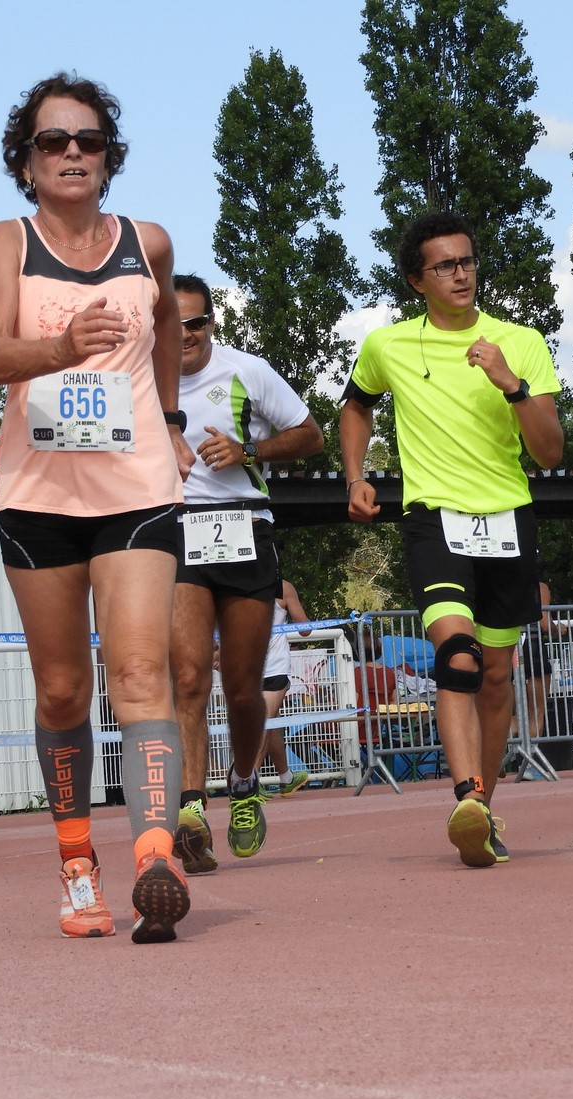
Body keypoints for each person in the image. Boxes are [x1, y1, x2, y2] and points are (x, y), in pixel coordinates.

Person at [0, 73, 192, 944]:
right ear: (26, 162)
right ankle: (75, 864)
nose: (71, 153)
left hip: (137, 489)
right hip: (40, 496)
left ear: (109, 158)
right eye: (52, 141)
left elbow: (166, 329)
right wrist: (62, 346)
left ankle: (155, 857)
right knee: (63, 688)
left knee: (139, 673)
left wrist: (169, 419)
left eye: (88, 140)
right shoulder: (8, 242)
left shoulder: (148, 243)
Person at [340, 210, 564, 868]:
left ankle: (482, 811)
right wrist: (356, 475)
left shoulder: (519, 342)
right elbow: (356, 405)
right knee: (458, 654)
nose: (461, 274)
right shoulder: (388, 346)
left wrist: (512, 385)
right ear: (418, 280)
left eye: (467, 261)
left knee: (495, 676)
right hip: (435, 518)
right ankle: (465, 795)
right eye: (445, 266)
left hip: (509, 519)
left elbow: (550, 453)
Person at [167, 274, 323, 874]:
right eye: (174, 323)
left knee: (241, 686)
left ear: (212, 322)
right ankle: (189, 809)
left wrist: (247, 451)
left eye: (196, 322)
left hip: (245, 529)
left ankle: (244, 781)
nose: (186, 334)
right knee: (187, 677)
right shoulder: (144, 380)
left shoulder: (246, 372)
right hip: (179, 533)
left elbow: (310, 436)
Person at [259, 577, 313, 797]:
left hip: (245, 667)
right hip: (274, 667)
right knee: (264, 723)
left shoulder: (236, 583)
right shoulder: (282, 587)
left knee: (270, 722)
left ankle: (286, 778)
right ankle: (247, 780)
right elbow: (305, 629)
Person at [511, 579, 563, 780]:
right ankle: (527, 764)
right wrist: (559, 629)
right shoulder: (538, 586)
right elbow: (544, 623)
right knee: (536, 711)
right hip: (532, 646)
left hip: (506, 648)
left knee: (510, 711)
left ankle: (496, 752)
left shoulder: (499, 583)